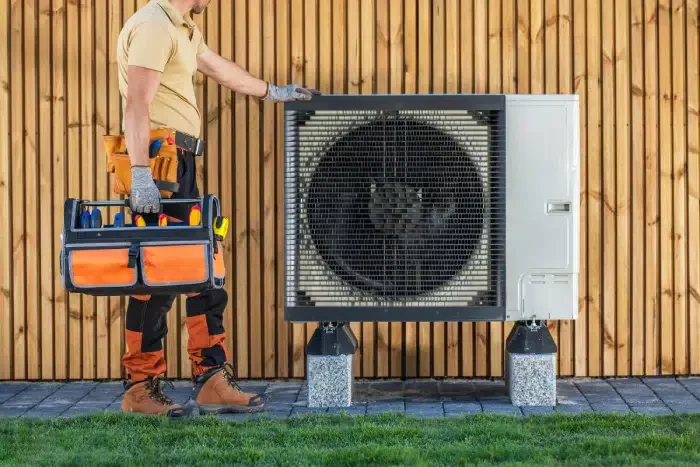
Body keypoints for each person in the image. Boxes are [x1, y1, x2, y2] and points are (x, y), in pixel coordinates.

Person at [116, 0, 319, 417]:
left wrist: (273, 91)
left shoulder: (183, 28)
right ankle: (140, 389)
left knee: (204, 269)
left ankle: (210, 379)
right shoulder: (154, 26)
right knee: (154, 280)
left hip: (179, 165)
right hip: (159, 167)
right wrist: (140, 175)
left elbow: (219, 67)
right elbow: (136, 103)